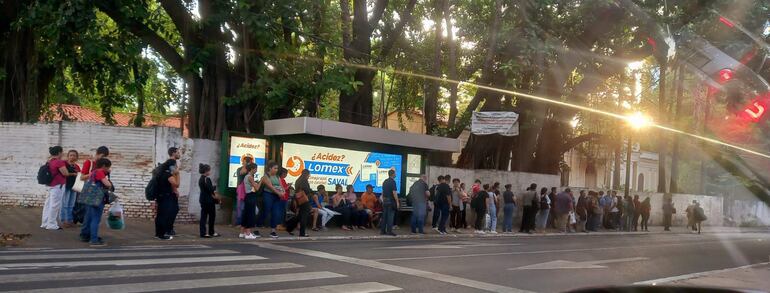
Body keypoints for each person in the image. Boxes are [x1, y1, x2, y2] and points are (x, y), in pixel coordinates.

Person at [41, 146, 76, 230]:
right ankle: (52, 224)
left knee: (48, 205)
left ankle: (45, 223)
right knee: (55, 205)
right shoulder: (59, 162)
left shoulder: (49, 161)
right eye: (62, 152)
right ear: (59, 153)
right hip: (57, 186)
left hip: (50, 185)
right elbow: (66, 173)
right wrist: (73, 174)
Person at [79, 158, 112, 246]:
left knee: (89, 217)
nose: (108, 169)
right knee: (96, 219)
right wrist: (109, 181)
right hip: (97, 198)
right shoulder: (100, 172)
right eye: (108, 167)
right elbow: (107, 184)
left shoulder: (93, 172)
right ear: (104, 166)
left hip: (89, 197)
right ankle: (94, 239)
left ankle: (87, 236)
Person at [76, 146, 109, 225]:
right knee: (87, 210)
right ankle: (86, 227)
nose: (103, 158)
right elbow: (82, 177)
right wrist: (93, 174)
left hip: (99, 191)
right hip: (89, 190)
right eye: (102, 156)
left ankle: (91, 225)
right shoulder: (89, 162)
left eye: (105, 157)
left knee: (95, 211)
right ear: (98, 153)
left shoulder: (102, 165)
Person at [154, 159, 180, 240]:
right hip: (166, 197)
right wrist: (178, 174)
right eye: (175, 166)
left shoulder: (160, 173)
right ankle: (162, 234)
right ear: (171, 166)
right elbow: (177, 184)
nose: (176, 167)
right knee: (164, 215)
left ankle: (158, 234)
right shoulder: (168, 175)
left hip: (160, 196)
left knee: (160, 215)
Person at [260, 162, 285, 238]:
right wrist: (279, 193)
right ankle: (257, 228)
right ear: (270, 168)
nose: (276, 170)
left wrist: (283, 192)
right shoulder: (265, 176)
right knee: (266, 211)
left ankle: (273, 231)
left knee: (276, 213)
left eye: (277, 168)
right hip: (268, 195)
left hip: (276, 196)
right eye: (275, 168)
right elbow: (270, 187)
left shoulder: (277, 177)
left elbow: (281, 186)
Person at [60, 150, 81, 228]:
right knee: (65, 204)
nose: (72, 157)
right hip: (66, 186)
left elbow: (79, 176)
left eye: (74, 155)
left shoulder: (76, 166)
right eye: (71, 155)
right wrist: (73, 174)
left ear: (77, 157)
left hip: (74, 187)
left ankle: (70, 220)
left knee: (71, 204)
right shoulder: (64, 164)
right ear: (68, 156)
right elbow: (63, 173)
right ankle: (63, 220)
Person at [240, 163, 261, 239]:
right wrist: (261, 180)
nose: (256, 170)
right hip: (251, 196)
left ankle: (242, 232)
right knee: (250, 214)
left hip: (247, 196)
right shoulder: (250, 177)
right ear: (252, 169)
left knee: (246, 214)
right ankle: (248, 233)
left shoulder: (246, 176)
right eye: (255, 169)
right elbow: (257, 188)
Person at [198, 163, 220, 238]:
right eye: (209, 170)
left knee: (203, 216)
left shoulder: (201, 179)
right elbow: (210, 189)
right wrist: (214, 190)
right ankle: (211, 232)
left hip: (203, 200)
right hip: (209, 200)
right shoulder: (206, 179)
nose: (210, 172)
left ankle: (203, 232)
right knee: (212, 216)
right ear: (206, 171)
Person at [290, 169, 312, 237]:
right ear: (306, 174)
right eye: (309, 174)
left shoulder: (298, 180)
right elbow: (306, 190)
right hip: (304, 200)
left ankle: (289, 227)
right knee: (304, 216)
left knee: (300, 215)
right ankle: (302, 233)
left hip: (298, 199)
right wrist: (311, 191)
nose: (309, 176)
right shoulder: (304, 181)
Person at [234, 156, 254, 226]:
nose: (249, 163)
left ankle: (244, 223)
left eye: (250, 161)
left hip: (248, 190)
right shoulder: (240, 169)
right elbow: (242, 173)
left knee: (246, 206)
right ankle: (239, 222)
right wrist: (245, 165)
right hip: (241, 190)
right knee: (240, 206)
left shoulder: (251, 170)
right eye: (247, 161)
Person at [166, 147, 181, 236]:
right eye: (178, 152)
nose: (179, 154)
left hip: (172, 190)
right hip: (171, 190)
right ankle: (169, 229)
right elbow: (171, 176)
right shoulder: (172, 163)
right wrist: (175, 189)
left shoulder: (173, 163)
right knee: (173, 210)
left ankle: (169, 228)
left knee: (173, 209)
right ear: (173, 153)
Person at [380, 169, 399, 236]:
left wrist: (382, 200)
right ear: (393, 174)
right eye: (395, 173)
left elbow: (382, 192)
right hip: (391, 200)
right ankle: (389, 231)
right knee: (390, 216)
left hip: (385, 200)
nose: (396, 174)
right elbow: (394, 193)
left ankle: (382, 231)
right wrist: (397, 202)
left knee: (384, 216)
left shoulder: (385, 181)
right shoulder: (393, 182)